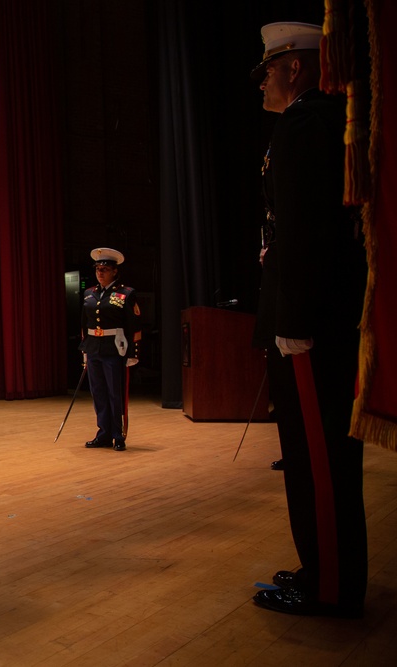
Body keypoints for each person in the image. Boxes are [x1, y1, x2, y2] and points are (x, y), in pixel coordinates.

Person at [248, 22, 367, 618]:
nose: (263, 79)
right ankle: (323, 568)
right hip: (313, 319)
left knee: (318, 460)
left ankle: (329, 586)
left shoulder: (305, 123)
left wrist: (291, 321)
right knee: (311, 457)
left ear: (294, 67)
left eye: (269, 68)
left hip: (308, 326)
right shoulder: (314, 122)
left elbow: (305, 234)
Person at [78, 248, 141, 451]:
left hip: (115, 350)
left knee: (115, 393)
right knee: (98, 393)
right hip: (94, 349)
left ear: (114, 271)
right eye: (98, 269)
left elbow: (134, 325)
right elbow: (84, 324)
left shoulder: (126, 293)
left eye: (105, 269)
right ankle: (103, 434)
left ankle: (118, 435)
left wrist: (133, 353)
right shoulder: (89, 294)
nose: (100, 272)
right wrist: (85, 350)